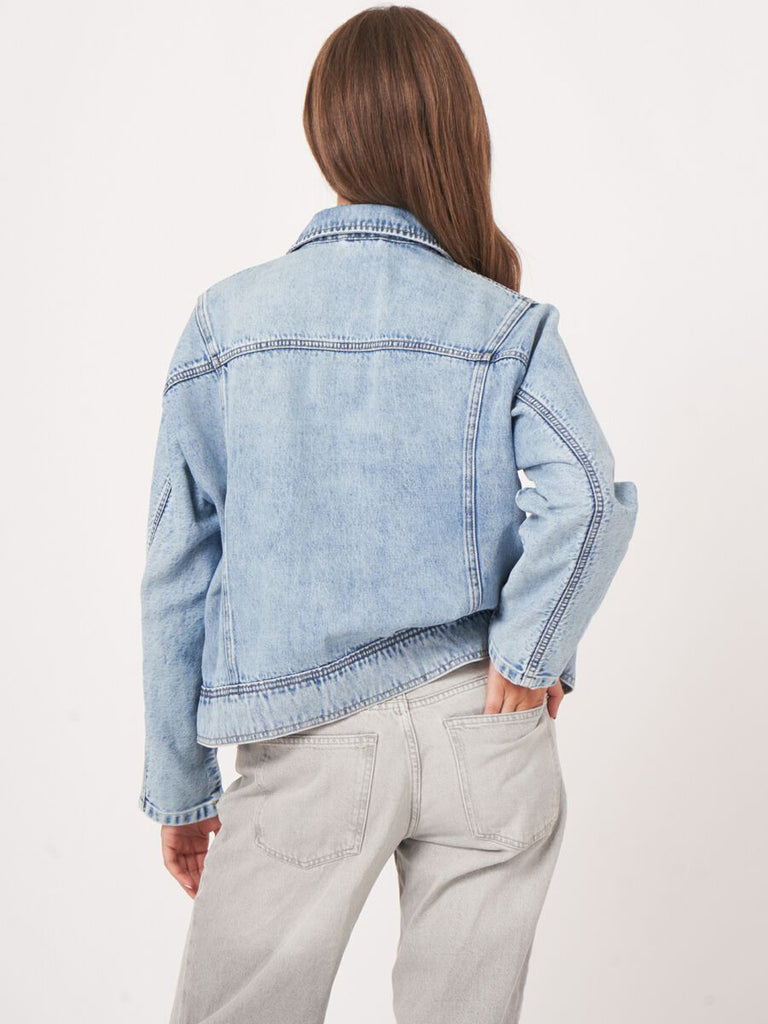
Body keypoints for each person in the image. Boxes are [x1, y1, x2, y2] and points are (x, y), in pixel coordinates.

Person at [138, 6, 638, 1022]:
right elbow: (587, 494)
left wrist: (180, 784)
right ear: (459, 131)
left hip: (304, 741)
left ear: (324, 132)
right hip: (484, 727)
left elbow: (178, 563)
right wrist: (528, 655)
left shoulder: (229, 322)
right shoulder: (505, 320)